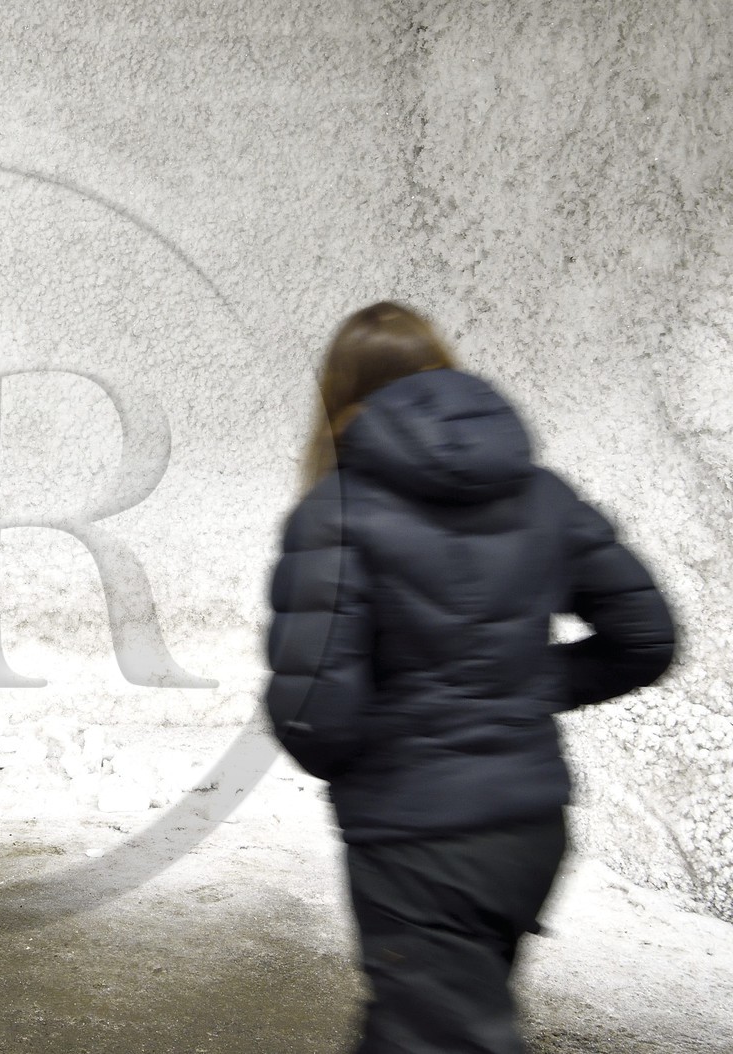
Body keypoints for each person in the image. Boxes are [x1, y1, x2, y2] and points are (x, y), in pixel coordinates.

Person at [262, 301, 676, 1053]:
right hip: (529, 833)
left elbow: (315, 720)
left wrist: (414, 714)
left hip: (419, 845)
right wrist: (520, 688)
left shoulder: (336, 514)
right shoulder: (544, 494)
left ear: (336, 396)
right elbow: (645, 637)